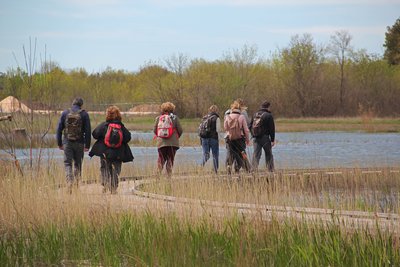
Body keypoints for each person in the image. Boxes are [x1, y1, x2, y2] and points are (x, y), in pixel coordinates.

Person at [89, 106, 133, 194]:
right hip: (118, 153)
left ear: (108, 115)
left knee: (104, 168)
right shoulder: (121, 126)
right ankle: (113, 188)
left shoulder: (104, 125)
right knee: (116, 169)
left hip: (105, 152)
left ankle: (105, 184)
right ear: (118, 115)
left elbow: (94, 134)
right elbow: (128, 138)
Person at [56, 97, 91, 193]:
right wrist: (87, 145)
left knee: (67, 163)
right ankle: (76, 184)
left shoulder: (65, 113)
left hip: (67, 142)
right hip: (80, 142)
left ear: (72, 104)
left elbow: (59, 129)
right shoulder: (84, 114)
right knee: (78, 164)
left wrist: (59, 143)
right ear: (81, 105)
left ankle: (69, 182)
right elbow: (88, 131)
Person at [153, 102, 183, 177]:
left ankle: (157, 176)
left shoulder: (158, 118)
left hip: (161, 143)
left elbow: (154, 130)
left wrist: (160, 136)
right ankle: (169, 177)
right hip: (173, 143)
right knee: (170, 160)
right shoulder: (175, 118)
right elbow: (180, 130)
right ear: (172, 109)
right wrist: (176, 137)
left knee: (161, 159)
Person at [224, 98, 251, 172]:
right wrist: (247, 140)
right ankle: (245, 167)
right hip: (240, 138)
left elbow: (225, 128)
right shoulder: (241, 116)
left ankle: (228, 166)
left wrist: (230, 132)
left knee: (230, 153)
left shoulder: (227, 116)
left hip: (229, 138)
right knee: (242, 152)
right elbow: (246, 130)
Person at [249, 101, 275, 172]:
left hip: (255, 138)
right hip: (265, 138)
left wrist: (253, 134)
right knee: (268, 154)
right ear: (268, 107)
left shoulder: (255, 114)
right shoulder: (268, 115)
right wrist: (272, 140)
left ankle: (253, 170)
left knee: (256, 154)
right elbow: (272, 129)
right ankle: (270, 170)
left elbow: (250, 126)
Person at [199, 105, 221, 173]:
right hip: (213, 139)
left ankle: (200, 166)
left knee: (206, 155)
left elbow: (200, 128)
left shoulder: (204, 118)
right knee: (215, 155)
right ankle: (215, 170)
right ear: (216, 110)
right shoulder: (217, 118)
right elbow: (218, 130)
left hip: (204, 138)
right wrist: (219, 139)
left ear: (209, 110)